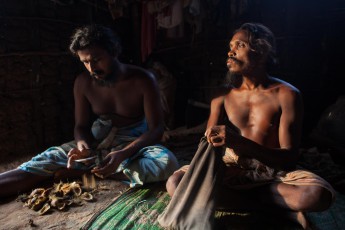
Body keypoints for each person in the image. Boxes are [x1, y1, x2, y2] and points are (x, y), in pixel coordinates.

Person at [158, 23, 335, 229]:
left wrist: (241, 143)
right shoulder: (222, 96)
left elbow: (289, 159)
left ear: (262, 50)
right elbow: (206, 148)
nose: (230, 51)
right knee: (175, 183)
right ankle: (277, 211)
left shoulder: (287, 94)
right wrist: (219, 161)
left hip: (271, 173)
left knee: (317, 195)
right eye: (231, 45)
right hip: (231, 168)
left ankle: (250, 200)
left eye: (239, 45)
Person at [0, 24, 178, 198]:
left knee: (166, 164)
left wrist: (124, 153)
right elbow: (81, 126)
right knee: (43, 161)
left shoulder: (143, 79)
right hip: (97, 142)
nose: (92, 68)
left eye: (96, 59)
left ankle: (88, 173)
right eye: (85, 62)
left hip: (134, 142)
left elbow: (156, 129)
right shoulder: (83, 82)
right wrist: (82, 147)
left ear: (113, 52)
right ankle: (93, 167)